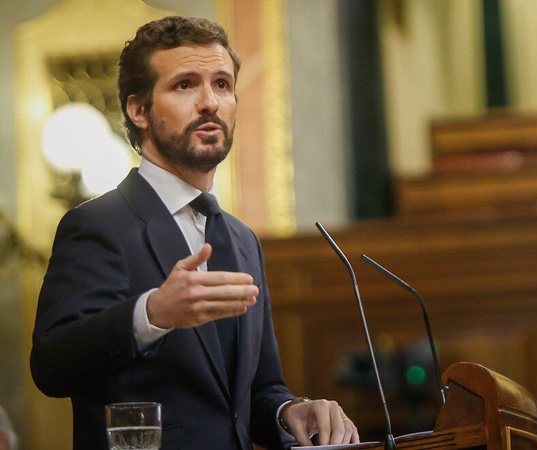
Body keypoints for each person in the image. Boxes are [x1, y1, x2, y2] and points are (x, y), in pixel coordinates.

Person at [31, 16, 358, 450]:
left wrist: (289, 411)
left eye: (222, 84)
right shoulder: (97, 224)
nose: (210, 102)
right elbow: (52, 365)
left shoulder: (243, 240)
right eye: (185, 85)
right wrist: (152, 314)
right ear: (138, 109)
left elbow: (254, 393)